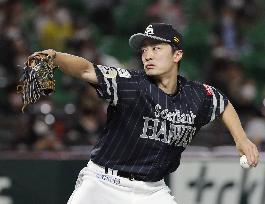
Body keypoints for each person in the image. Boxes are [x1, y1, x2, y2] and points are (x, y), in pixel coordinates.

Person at [28, 23, 259, 204]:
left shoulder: (197, 96)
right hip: (102, 184)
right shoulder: (130, 84)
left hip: (152, 191)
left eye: (156, 48)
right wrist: (55, 57)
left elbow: (222, 103)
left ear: (177, 55)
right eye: (144, 50)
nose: (147, 55)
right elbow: (88, 70)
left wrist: (241, 139)